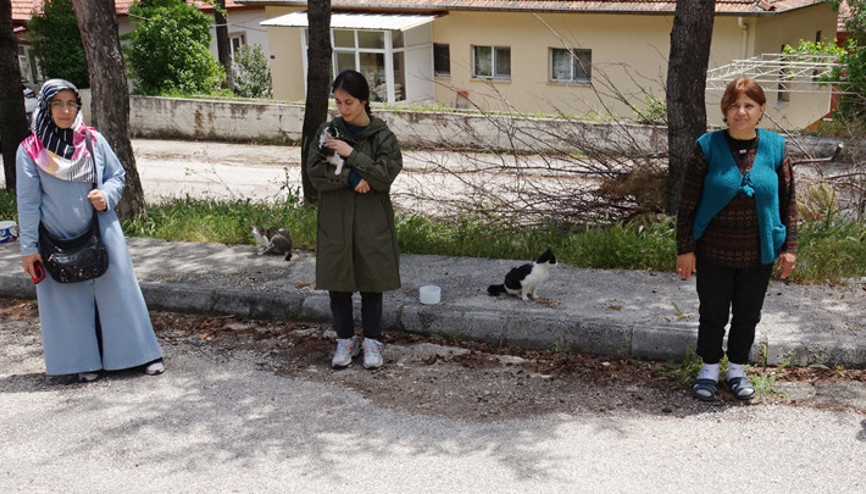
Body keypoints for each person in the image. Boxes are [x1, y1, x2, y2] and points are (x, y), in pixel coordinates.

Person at [16, 79, 164, 382]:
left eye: (71, 103)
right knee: (67, 301)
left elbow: (117, 175)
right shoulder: (30, 150)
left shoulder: (92, 140)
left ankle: (139, 356)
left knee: (120, 293)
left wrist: (106, 196)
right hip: (55, 237)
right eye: (57, 103)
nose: (65, 111)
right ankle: (81, 361)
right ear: (46, 107)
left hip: (102, 230)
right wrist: (29, 248)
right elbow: (28, 204)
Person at [676, 77, 798, 401]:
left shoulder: (776, 148)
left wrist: (790, 249)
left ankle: (737, 370)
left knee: (748, 314)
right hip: (714, 252)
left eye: (748, 105)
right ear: (725, 111)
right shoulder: (707, 147)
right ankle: (709, 369)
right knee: (712, 313)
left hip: (759, 253)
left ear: (761, 110)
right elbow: (687, 204)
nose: (740, 111)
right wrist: (685, 249)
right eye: (734, 105)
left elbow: (789, 201)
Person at [307, 70, 403, 370]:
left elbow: (384, 176)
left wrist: (351, 155)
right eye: (338, 102)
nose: (343, 109)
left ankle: (373, 343)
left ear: (364, 100)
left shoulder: (384, 137)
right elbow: (314, 172)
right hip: (335, 218)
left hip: (371, 221)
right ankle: (345, 340)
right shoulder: (328, 133)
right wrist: (350, 177)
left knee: (372, 284)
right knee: (339, 284)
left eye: (349, 102)